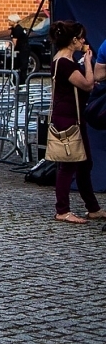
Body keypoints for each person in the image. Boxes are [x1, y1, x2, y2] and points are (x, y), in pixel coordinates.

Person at [48, 20, 101, 223]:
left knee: (84, 163)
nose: (83, 41)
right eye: (80, 38)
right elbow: (88, 85)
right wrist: (88, 61)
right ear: (73, 40)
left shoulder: (65, 60)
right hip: (67, 117)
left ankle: (93, 207)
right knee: (68, 165)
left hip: (74, 116)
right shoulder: (64, 62)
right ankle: (62, 210)